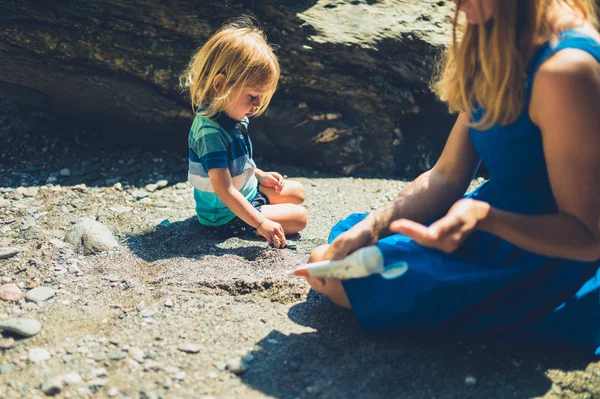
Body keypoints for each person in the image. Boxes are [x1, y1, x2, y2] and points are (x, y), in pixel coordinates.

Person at [304, 0, 600, 354]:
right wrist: (372, 227)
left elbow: (588, 236)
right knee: (330, 259)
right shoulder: (496, 32)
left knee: (342, 283)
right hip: (482, 225)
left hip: (550, 260)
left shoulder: (566, 70)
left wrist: (485, 218)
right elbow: (446, 175)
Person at [181, 18, 308, 248]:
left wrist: (258, 174)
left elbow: (235, 164)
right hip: (225, 215)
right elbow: (224, 189)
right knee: (300, 217)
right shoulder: (209, 133)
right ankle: (251, 221)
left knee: (297, 192)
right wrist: (261, 224)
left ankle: (260, 205)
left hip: (246, 191)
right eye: (252, 96)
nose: (257, 104)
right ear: (220, 85)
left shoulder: (235, 117)